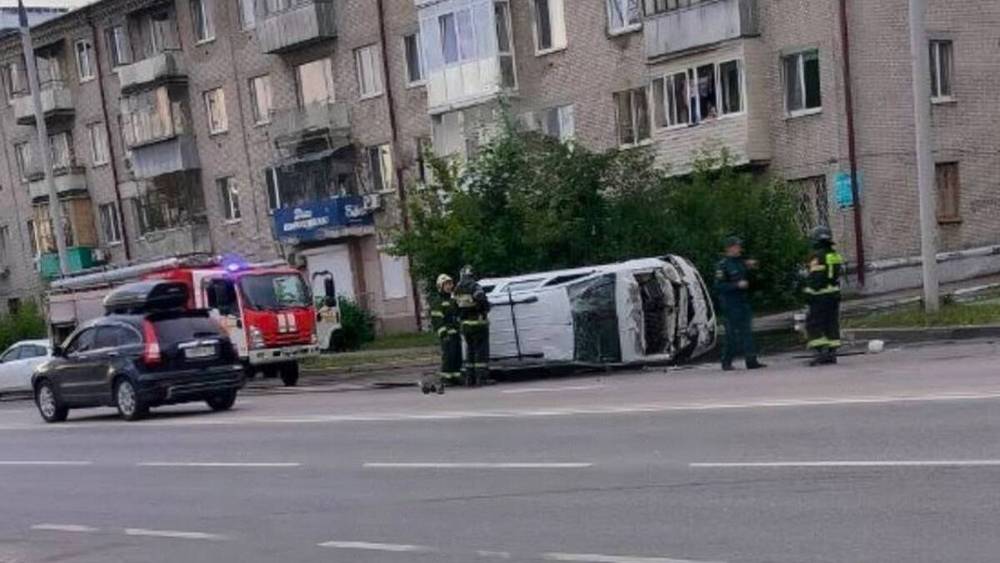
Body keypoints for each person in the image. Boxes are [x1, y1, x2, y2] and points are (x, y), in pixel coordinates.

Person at [714, 236, 766, 371]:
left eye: (739, 246)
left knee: (747, 332)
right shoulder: (723, 265)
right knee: (732, 335)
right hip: (730, 304)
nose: (739, 249)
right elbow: (719, 286)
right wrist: (736, 285)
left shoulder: (741, 262)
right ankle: (726, 361)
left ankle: (751, 361)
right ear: (729, 248)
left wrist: (753, 268)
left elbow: (753, 280)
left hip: (743, 302)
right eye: (736, 246)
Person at [804, 226, 844, 366]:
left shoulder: (817, 256)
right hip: (834, 294)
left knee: (813, 323)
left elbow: (816, 277)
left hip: (819, 295)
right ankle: (831, 354)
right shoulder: (834, 255)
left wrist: (808, 294)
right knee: (831, 323)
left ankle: (821, 352)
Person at [454, 265, 491, 386]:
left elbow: (454, 306)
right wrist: (485, 308)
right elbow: (481, 299)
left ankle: (470, 379)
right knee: (481, 351)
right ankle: (482, 378)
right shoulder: (475, 286)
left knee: (470, 351)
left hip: (465, 325)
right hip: (478, 323)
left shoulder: (457, 289)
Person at [424, 274, 461, 394]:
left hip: (455, 333)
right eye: (447, 284)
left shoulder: (452, 300)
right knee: (448, 357)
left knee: (457, 356)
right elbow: (437, 320)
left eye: (450, 284)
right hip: (447, 334)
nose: (449, 286)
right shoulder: (438, 302)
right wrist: (443, 334)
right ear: (440, 286)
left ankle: (456, 377)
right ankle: (446, 378)